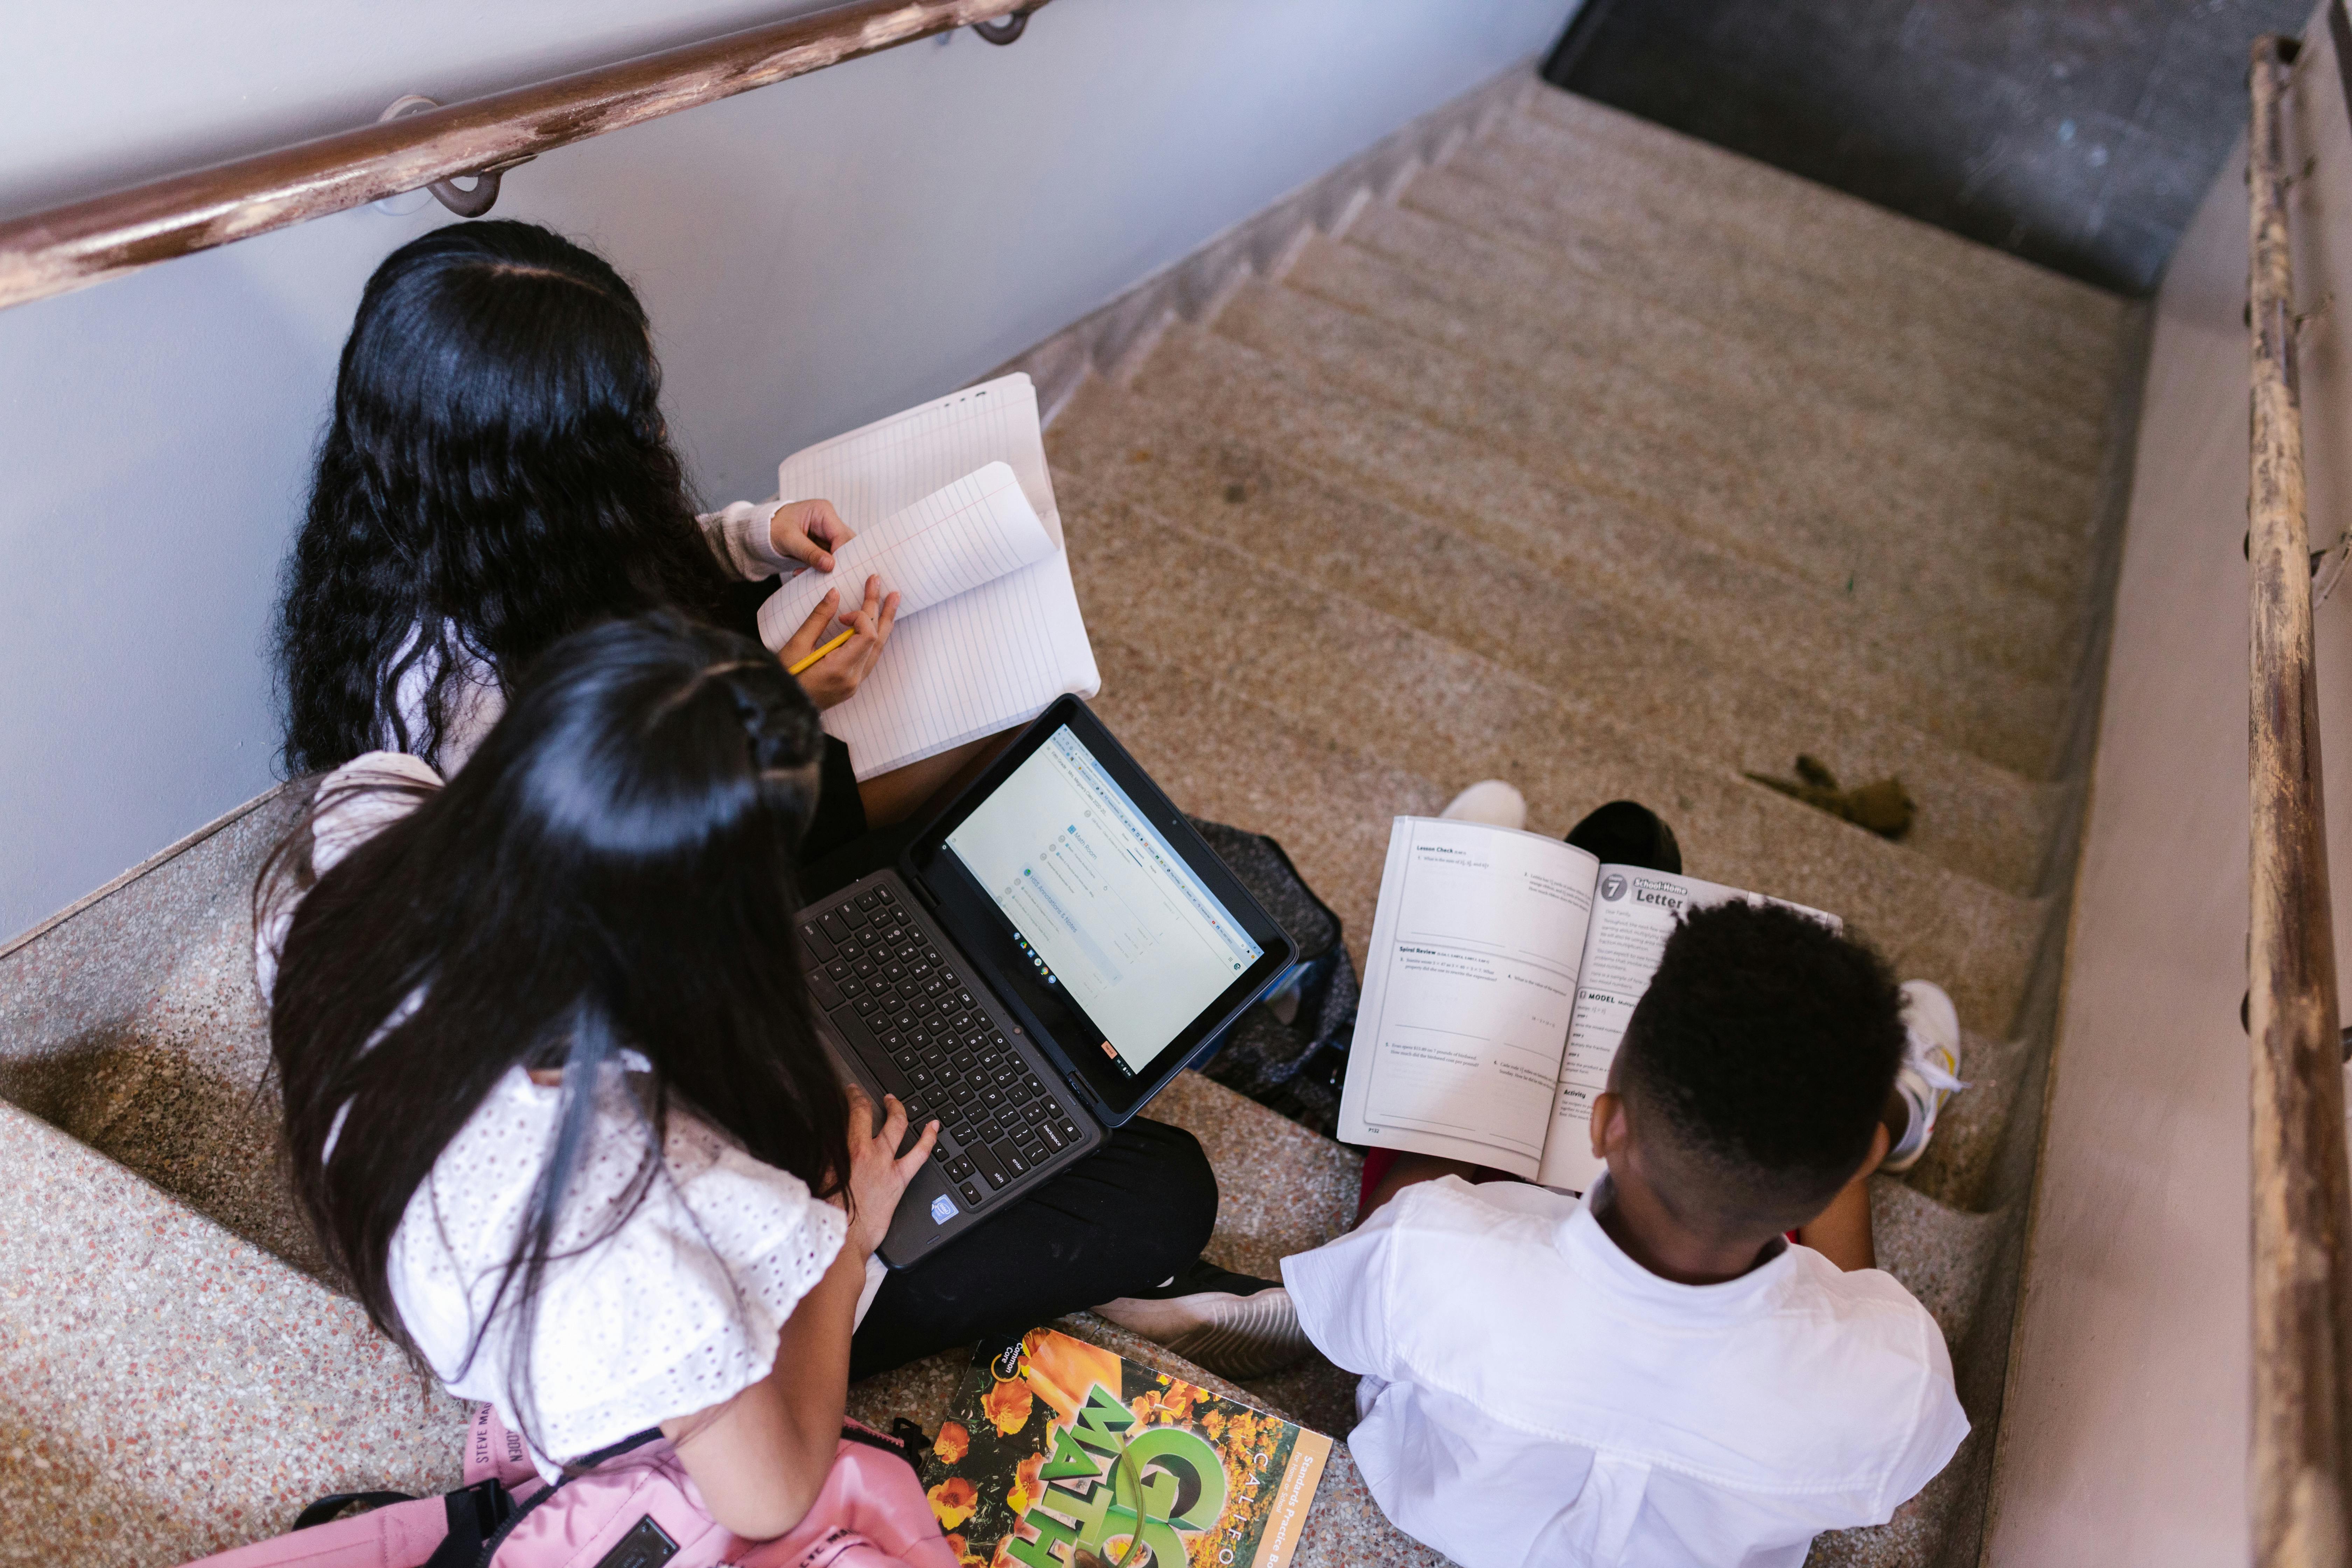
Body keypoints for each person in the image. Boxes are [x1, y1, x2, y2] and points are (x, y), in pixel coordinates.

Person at [255, 614, 1230, 1537]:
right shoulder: (638, 1219)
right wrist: (849, 1235)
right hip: (617, 1363)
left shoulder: (365, 816)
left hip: (461, 1210)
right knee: (1162, 1189)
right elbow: (767, 1499)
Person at [1277, 885, 1970, 1568]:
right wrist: (1836, 1160)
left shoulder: (1432, 1250)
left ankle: (1473, 971)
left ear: (1609, 1119)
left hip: (1447, 1513)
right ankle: (1901, 1109)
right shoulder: (1897, 1380)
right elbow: (1883, 1425)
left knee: (1413, 1157)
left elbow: (1346, 1313)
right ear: (1858, 1166)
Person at [273, 218, 986, 864]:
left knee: (788, 597)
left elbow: (622, 556)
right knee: (985, 744)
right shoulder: (465, 711)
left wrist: (754, 535)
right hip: (636, 849)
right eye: (636, 425)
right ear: (549, 478)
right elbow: (602, 854)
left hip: (629, 727)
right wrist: (774, 710)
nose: (661, 435)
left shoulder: (434, 521)